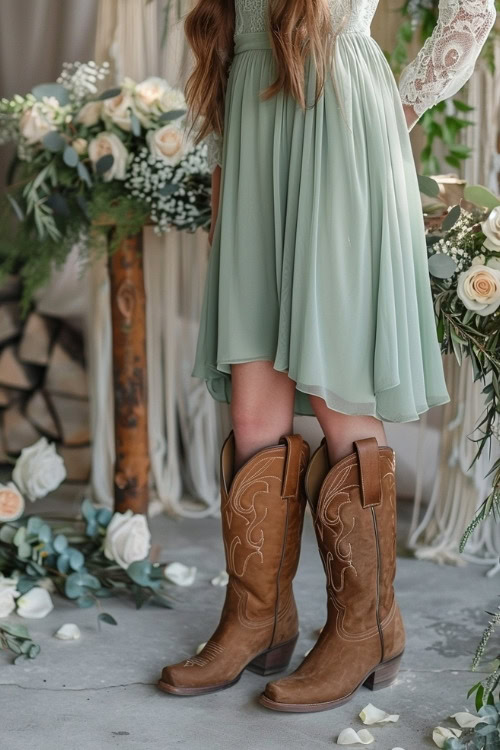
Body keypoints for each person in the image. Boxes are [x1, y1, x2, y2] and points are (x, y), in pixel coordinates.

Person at [157, 0, 497, 712]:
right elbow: (230, 47)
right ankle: (258, 619)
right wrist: (224, 185)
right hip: (252, 136)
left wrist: (386, 110)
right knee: (253, 408)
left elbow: (472, 9)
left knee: (340, 395)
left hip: (340, 130)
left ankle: (368, 628)